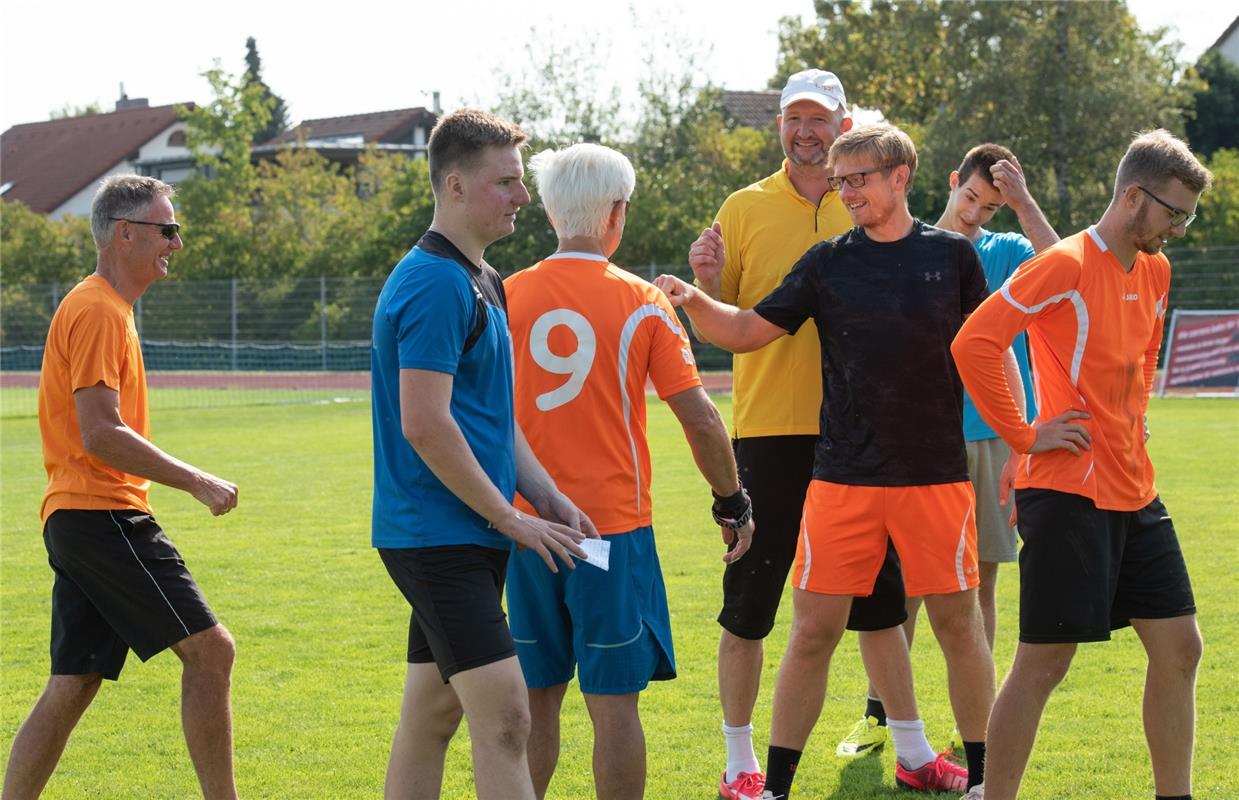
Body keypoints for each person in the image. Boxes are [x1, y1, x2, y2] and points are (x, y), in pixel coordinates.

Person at [659, 123, 1005, 799]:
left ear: (899, 176)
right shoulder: (827, 262)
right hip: (842, 479)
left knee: (956, 627)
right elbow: (745, 331)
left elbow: (987, 353)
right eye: (838, 180)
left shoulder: (953, 260)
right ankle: (774, 788)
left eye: (857, 179)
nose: (843, 191)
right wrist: (695, 299)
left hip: (935, 477)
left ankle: (984, 783)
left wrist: (1020, 444)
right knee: (813, 631)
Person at [687, 70, 928, 800]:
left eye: (818, 119)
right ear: (779, 127)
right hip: (767, 434)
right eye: (794, 118)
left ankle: (912, 750)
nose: (805, 131)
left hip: (860, 437)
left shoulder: (867, 201)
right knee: (750, 600)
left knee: (880, 603)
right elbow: (722, 322)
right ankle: (738, 760)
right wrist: (704, 280)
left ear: (844, 122)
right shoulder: (742, 206)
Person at [952, 129, 1211, 800]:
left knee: (1180, 648)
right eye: (1172, 213)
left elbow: (1145, 348)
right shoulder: (1061, 264)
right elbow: (974, 342)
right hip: (1065, 493)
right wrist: (1023, 434)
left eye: (1186, 215)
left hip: (1135, 490)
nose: (1178, 229)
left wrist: (1136, 411)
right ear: (1132, 196)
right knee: (1043, 663)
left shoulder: (1154, 269)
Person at [503, 142, 755, 800]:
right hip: (605, 532)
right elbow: (699, 419)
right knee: (613, 706)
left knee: (535, 701)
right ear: (616, 213)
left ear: (551, 214)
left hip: (522, 527)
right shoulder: (642, 302)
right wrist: (732, 502)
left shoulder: (503, 296)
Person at [370, 109, 597, 800]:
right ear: (456, 186)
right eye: (507, 183)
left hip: (462, 532)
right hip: (436, 535)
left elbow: (491, 419)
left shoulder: (483, 278)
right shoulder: (434, 283)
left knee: (433, 715)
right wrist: (510, 517)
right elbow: (426, 425)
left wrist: (548, 497)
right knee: (505, 718)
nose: (524, 198)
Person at [2, 175, 241, 800]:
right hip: (100, 512)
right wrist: (196, 480)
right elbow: (101, 433)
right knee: (212, 653)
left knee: (74, 681)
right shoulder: (99, 309)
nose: (177, 242)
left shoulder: (107, 307)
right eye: (168, 229)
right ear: (124, 234)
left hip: (79, 515)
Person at [881, 145, 1060, 738]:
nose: (976, 214)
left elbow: (1064, 265)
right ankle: (884, 712)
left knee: (982, 576)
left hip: (991, 438)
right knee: (903, 578)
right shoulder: (909, 244)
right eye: (970, 198)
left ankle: (979, 720)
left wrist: (1025, 202)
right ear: (953, 182)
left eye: (990, 206)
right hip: (922, 439)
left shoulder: (1005, 251)